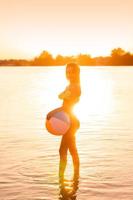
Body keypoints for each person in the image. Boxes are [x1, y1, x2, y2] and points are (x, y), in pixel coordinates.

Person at [58, 62, 81, 182]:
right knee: (72, 149)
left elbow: (62, 99)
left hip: (71, 122)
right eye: (68, 71)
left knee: (62, 150)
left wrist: (52, 113)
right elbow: (61, 96)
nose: (69, 74)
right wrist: (62, 95)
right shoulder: (71, 85)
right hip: (70, 120)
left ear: (77, 73)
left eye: (72, 72)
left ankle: (61, 179)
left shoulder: (74, 87)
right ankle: (76, 177)